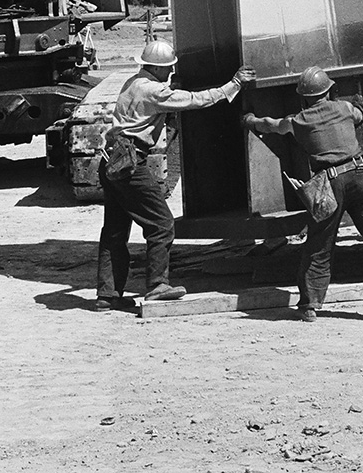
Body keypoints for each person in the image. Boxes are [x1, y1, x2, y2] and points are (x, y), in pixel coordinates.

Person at [241, 65, 363, 322]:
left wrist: (249, 121)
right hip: (360, 177)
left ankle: (310, 305)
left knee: (319, 245)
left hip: (328, 185)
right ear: (330, 89)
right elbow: (359, 114)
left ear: (304, 96)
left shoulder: (299, 121)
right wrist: (360, 107)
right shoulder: (344, 109)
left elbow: (272, 126)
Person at [96, 38, 254, 310]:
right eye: (168, 69)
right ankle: (157, 285)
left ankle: (108, 295)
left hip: (111, 161)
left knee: (114, 231)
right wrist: (234, 84)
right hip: (130, 162)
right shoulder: (154, 92)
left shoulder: (133, 82)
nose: (170, 73)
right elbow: (196, 101)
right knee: (161, 224)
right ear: (157, 69)